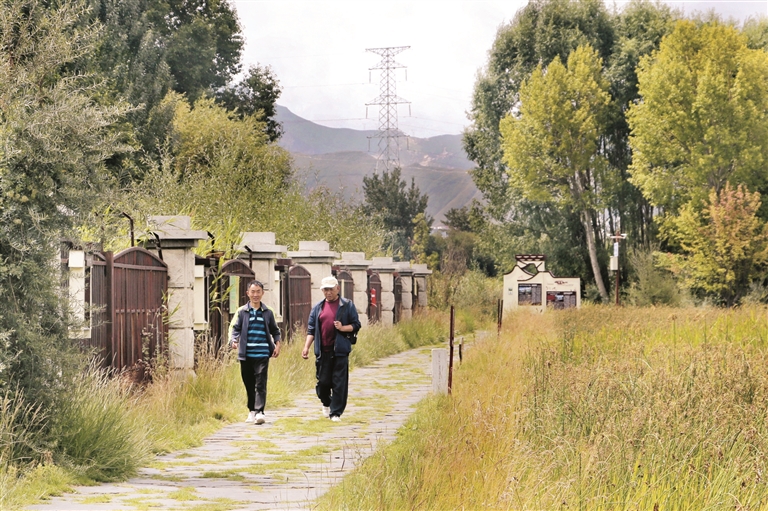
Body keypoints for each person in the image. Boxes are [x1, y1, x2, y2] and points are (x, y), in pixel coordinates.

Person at [302, 276, 361, 422]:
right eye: (325, 290)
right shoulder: (318, 308)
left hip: (340, 350)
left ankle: (335, 413)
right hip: (323, 351)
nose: (328, 292)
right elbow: (311, 329)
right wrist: (306, 347)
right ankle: (326, 402)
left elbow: (356, 325)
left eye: (331, 289)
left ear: (338, 289)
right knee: (323, 383)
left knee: (339, 383)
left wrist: (343, 328)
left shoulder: (347, 305)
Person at [230, 280, 281, 425]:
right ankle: (251, 411)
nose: (255, 295)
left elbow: (275, 331)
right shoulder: (242, 312)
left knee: (260, 383)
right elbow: (236, 329)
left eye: (258, 292)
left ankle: (259, 412)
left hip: (262, 354)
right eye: (253, 292)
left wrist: (277, 345)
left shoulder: (268, 312)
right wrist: (234, 341)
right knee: (249, 384)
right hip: (246, 355)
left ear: (262, 293)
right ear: (248, 293)